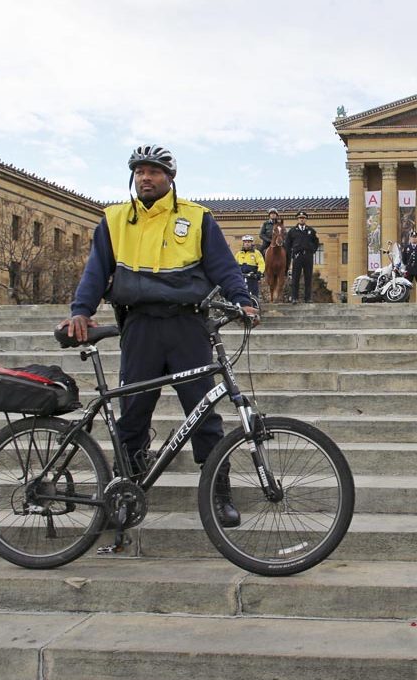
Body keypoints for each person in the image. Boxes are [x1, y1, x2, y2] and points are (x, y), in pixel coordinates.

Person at [62, 144, 258, 528]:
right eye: (139, 172)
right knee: (132, 415)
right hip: (140, 327)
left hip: (188, 326)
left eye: (153, 172)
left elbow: (224, 266)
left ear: (170, 177)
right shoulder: (114, 219)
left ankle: (219, 492)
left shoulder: (197, 218)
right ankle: (125, 491)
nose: (145, 178)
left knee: (205, 415)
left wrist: (243, 299)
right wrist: (80, 310)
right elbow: (95, 271)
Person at [286, 210, 320, 304]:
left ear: (306, 219)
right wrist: (291, 254)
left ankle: (308, 298)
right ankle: (294, 298)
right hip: (297, 256)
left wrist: (312, 250)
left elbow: (316, 242)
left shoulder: (311, 231)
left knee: (308, 277)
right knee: (295, 277)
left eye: (303, 218)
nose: (302, 220)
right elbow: (287, 244)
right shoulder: (292, 231)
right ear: (297, 219)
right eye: (300, 218)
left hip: (308, 256)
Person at [236, 235, 266, 301]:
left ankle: (255, 306)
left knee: (253, 294)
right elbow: (234, 265)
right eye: (245, 242)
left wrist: (259, 272)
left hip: (252, 277)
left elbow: (261, 264)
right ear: (243, 243)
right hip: (241, 277)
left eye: (249, 242)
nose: (247, 243)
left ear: (251, 243)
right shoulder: (239, 253)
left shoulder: (256, 253)